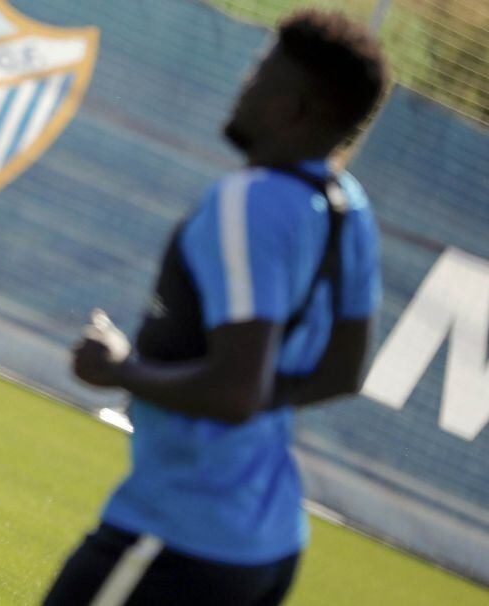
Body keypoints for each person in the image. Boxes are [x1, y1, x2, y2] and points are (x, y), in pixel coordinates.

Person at [44, 11, 388, 605]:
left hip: (177, 539)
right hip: (267, 547)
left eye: (261, 73)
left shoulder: (248, 202)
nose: (245, 82)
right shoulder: (347, 208)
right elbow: (343, 372)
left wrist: (119, 370)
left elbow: (234, 392)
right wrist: (245, 396)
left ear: (293, 109)